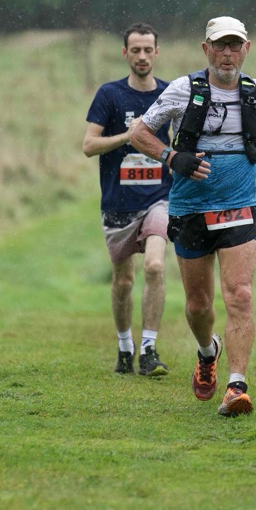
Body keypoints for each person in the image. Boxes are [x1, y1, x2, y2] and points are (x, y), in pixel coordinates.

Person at [131, 16, 256, 417]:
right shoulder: (182, 90)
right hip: (190, 209)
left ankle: (236, 386)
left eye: (234, 45)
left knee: (240, 295)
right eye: (219, 45)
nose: (227, 53)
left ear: (246, 49)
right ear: (206, 49)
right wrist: (172, 157)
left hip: (239, 206)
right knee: (199, 306)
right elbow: (139, 132)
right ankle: (208, 352)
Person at [83, 22, 173, 377]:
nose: (142, 56)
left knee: (155, 266)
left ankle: (149, 349)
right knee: (123, 281)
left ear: (157, 52)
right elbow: (89, 145)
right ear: (125, 53)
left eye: (148, 50)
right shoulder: (109, 95)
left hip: (160, 197)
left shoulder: (169, 94)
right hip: (119, 202)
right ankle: (125, 346)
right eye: (135, 50)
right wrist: (129, 136)